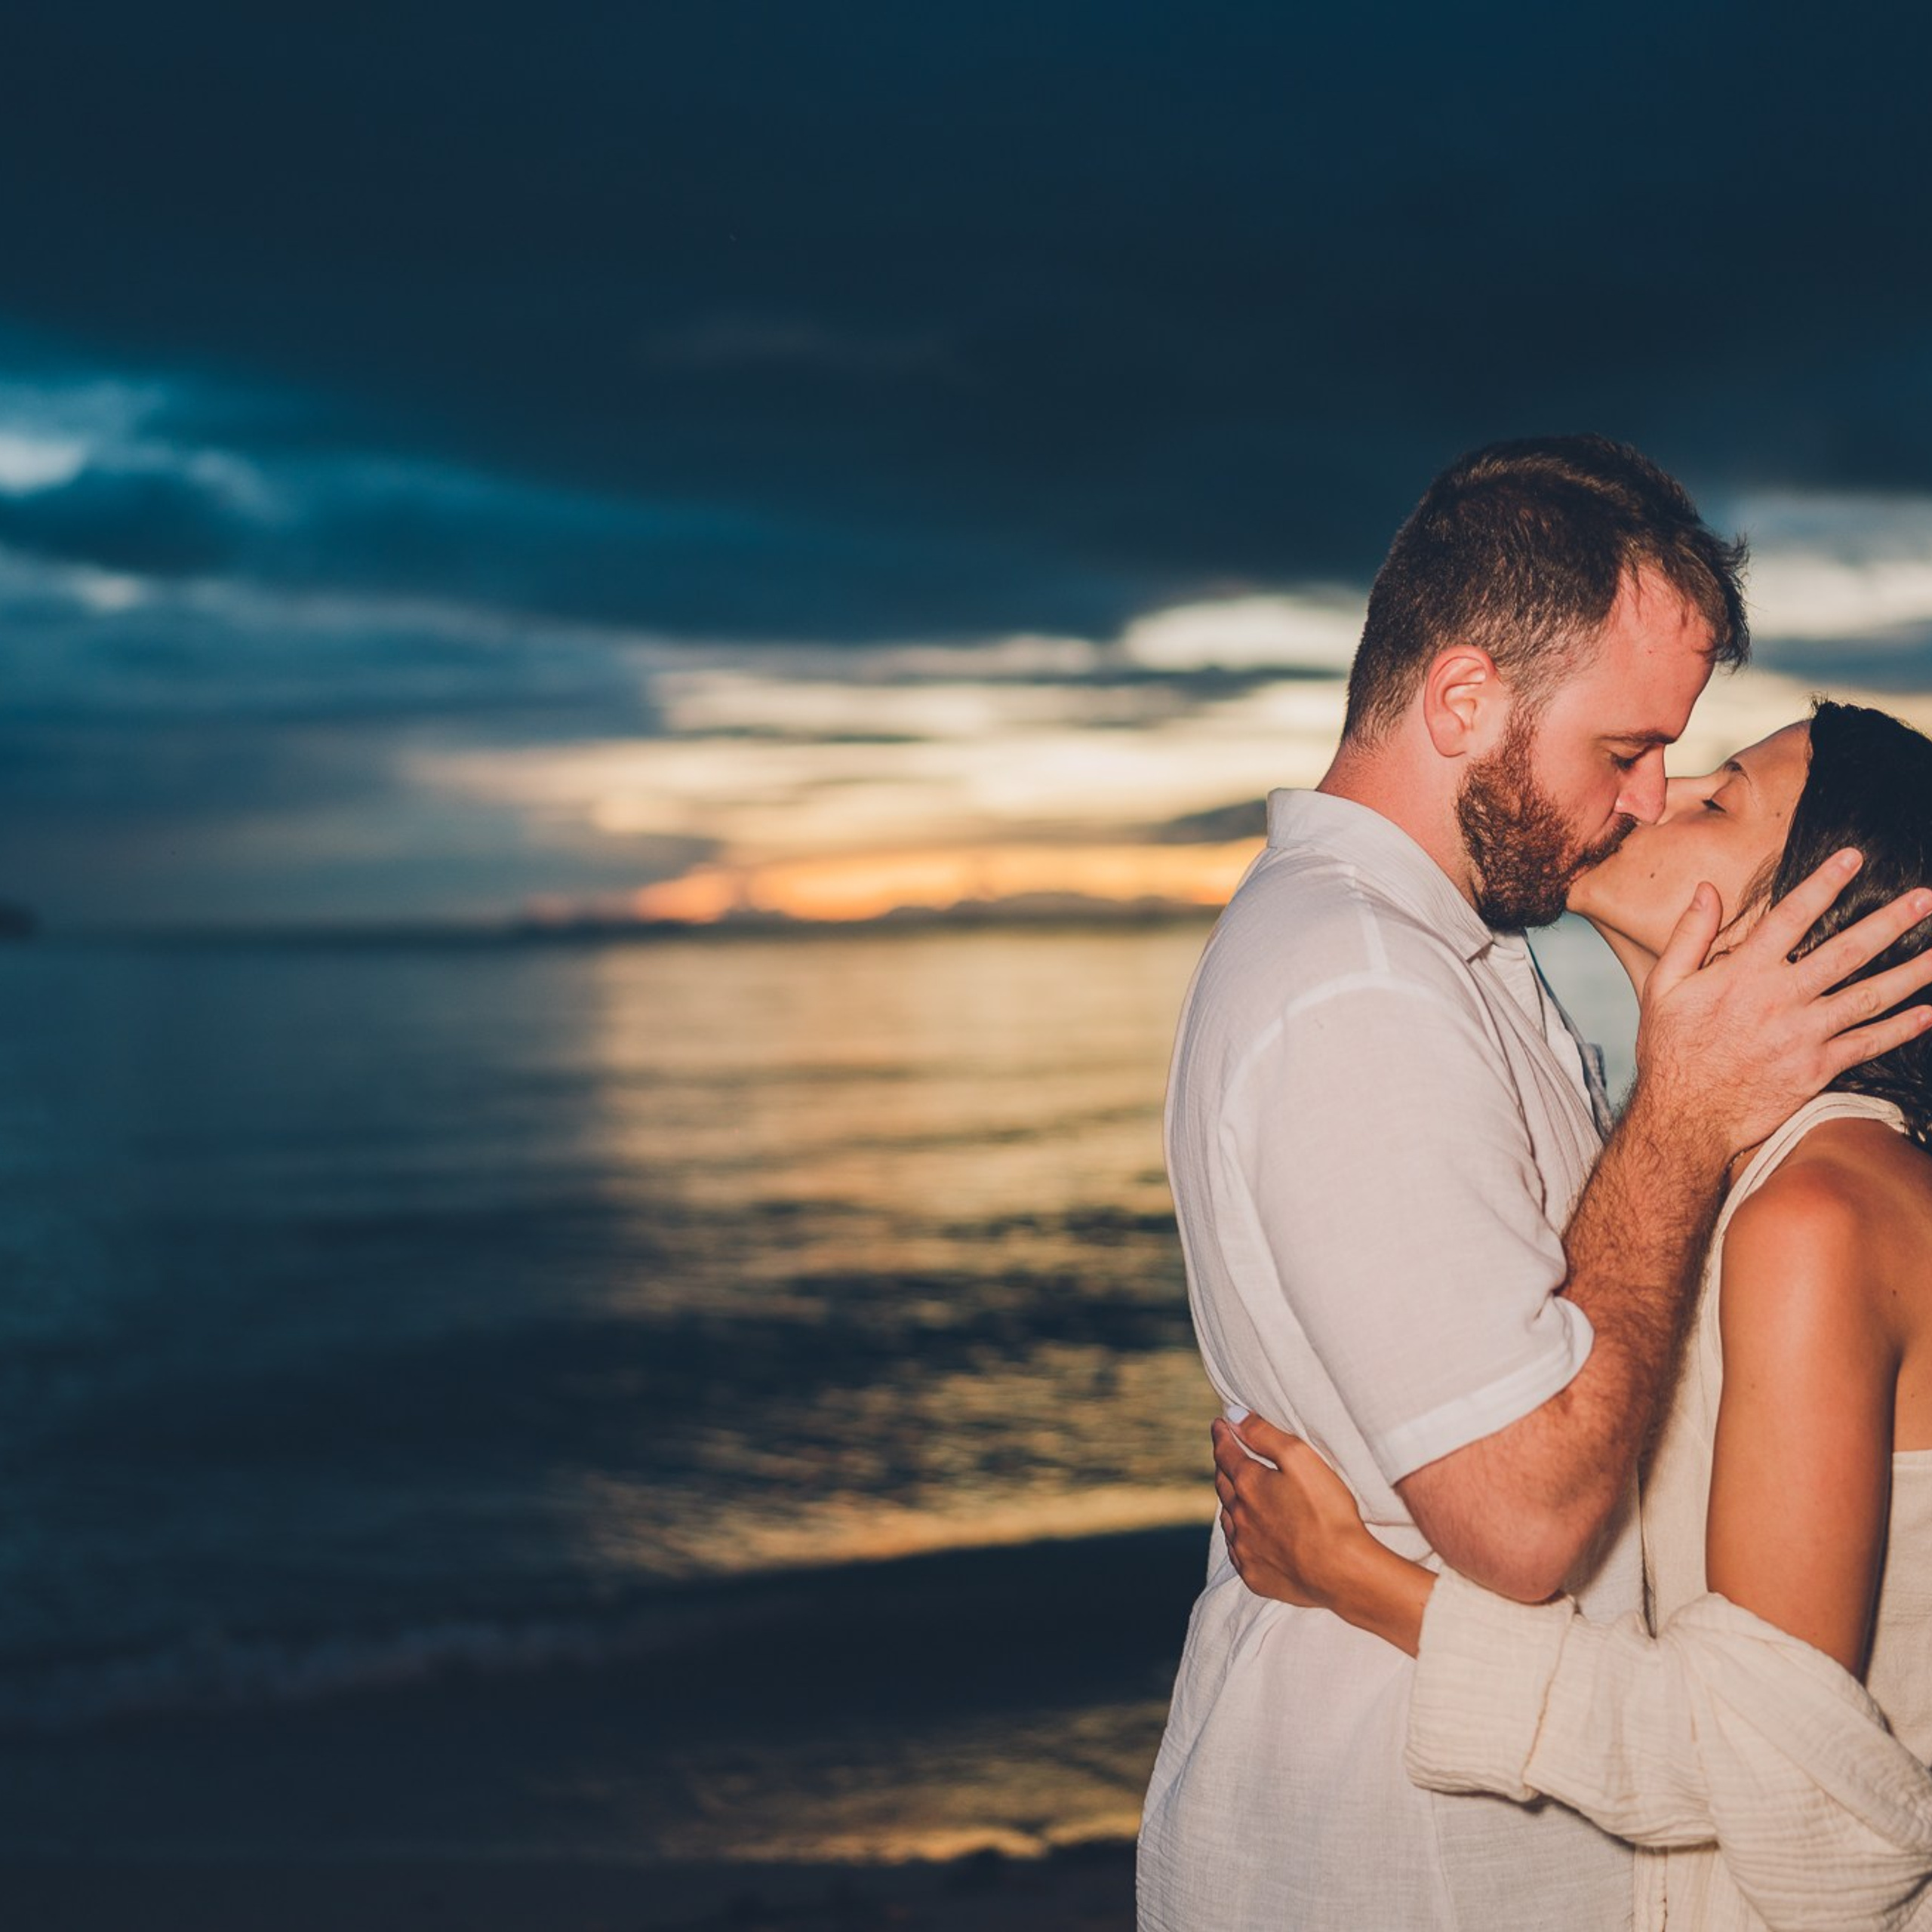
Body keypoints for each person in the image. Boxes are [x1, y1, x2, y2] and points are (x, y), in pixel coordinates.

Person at [1134, 435, 1932, 1932]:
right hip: (1394, 1866)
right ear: (1460, 700)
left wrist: (1352, 1573)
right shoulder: (1358, 979)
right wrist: (1682, 1118)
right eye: (1625, 752)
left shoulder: (1482, 967)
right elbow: (1521, 1513)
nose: (1639, 798)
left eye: (1683, 780)